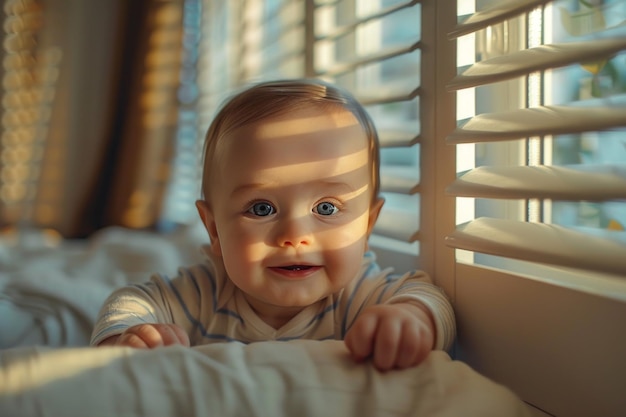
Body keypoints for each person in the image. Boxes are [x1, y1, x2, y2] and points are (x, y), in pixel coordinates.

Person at [91, 78, 456, 371]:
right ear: (214, 229)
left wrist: (410, 317)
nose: (295, 236)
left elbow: (428, 296)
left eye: (326, 208)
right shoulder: (203, 294)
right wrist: (129, 335)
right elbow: (132, 300)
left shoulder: (359, 296)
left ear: (367, 225)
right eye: (262, 208)